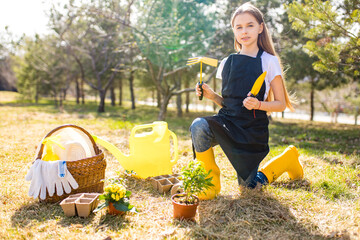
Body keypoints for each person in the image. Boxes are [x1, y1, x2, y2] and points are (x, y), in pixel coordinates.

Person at [190, 2, 304, 200]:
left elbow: (281, 104)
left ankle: (287, 159)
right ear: (233, 30)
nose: (244, 31)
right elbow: (230, 103)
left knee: (250, 188)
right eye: (239, 27)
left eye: (250, 25)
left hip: (251, 129)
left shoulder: (268, 60)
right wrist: (212, 96)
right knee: (198, 126)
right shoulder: (226, 62)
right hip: (227, 122)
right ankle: (209, 183)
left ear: (260, 28)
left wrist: (259, 104)